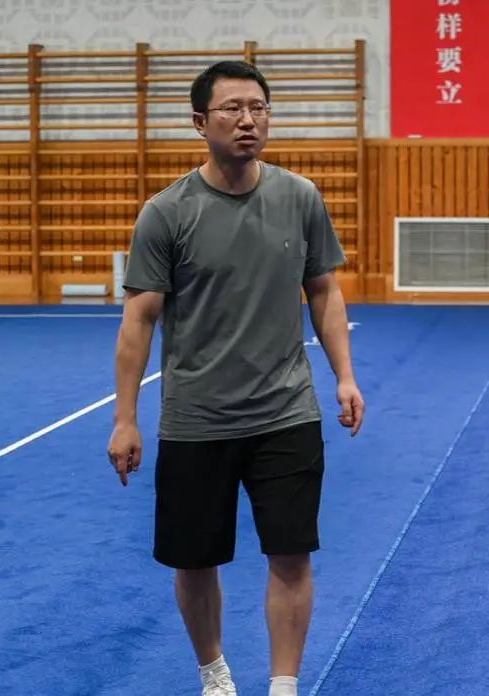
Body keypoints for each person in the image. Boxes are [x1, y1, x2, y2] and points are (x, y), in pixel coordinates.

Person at [106, 60, 366, 696]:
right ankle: (215, 674)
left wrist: (345, 376)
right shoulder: (166, 213)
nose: (248, 119)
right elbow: (139, 320)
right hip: (196, 419)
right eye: (232, 109)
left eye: (258, 107)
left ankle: (284, 684)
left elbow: (324, 291)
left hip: (286, 412)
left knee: (291, 553)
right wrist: (124, 418)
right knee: (195, 560)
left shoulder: (300, 197)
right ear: (201, 123)